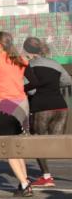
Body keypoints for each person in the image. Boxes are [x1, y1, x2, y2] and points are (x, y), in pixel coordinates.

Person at [0, 31, 38, 196]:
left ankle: (25, 184)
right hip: (22, 106)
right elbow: (35, 82)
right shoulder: (22, 60)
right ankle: (24, 181)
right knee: (18, 146)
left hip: (5, 106)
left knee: (9, 147)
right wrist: (21, 89)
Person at [24, 36, 71, 188]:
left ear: (27, 50)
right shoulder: (55, 63)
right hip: (60, 107)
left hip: (41, 107)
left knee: (39, 142)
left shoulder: (28, 66)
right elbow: (68, 81)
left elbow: (31, 91)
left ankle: (46, 177)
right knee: (61, 145)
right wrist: (53, 86)